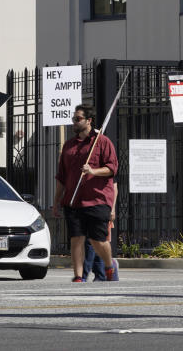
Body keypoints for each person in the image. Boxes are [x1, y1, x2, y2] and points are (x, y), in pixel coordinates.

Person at [52, 104, 119, 283]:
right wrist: (56, 200)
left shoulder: (102, 142)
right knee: (76, 239)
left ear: (89, 121)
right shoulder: (68, 146)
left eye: (78, 119)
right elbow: (61, 177)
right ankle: (78, 276)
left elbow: (112, 169)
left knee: (98, 241)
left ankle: (109, 265)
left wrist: (93, 171)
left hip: (97, 199)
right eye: (74, 119)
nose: (74, 122)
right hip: (73, 201)